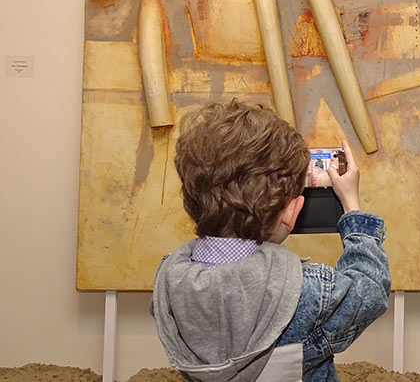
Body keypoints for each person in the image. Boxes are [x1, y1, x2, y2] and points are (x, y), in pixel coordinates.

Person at [150, 99, 391, 382]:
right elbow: (369, 290)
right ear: (292, 212)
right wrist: (351, 206)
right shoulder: (307, 292)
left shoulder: (169, 281)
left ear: (192, 200)